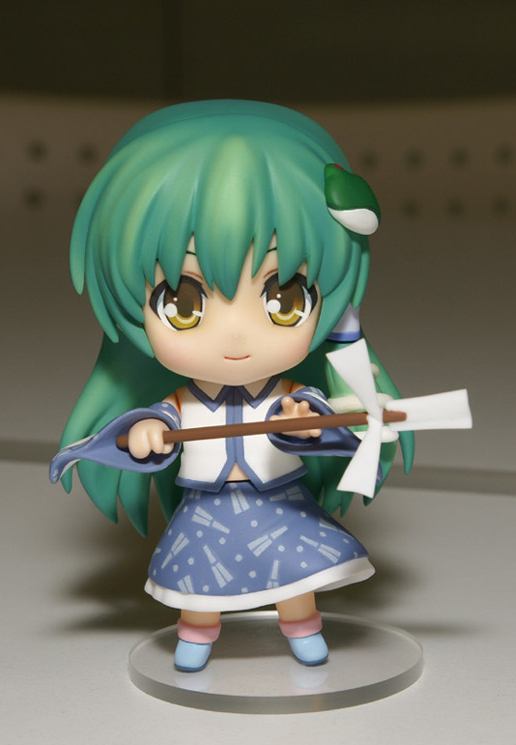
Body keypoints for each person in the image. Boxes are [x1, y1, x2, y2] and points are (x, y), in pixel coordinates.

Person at [50, 100, 413, 672]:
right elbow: (155, 426)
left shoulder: (287, 391)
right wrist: (144, 434)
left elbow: (325, 422)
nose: (237, 336)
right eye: (184, 304)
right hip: (207, 511)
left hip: (280, 503)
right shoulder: (183, 402)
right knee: (197, 588)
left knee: (296, 577)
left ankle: (301, 628)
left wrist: (311, 423)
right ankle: (196, 639)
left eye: (284, 299)